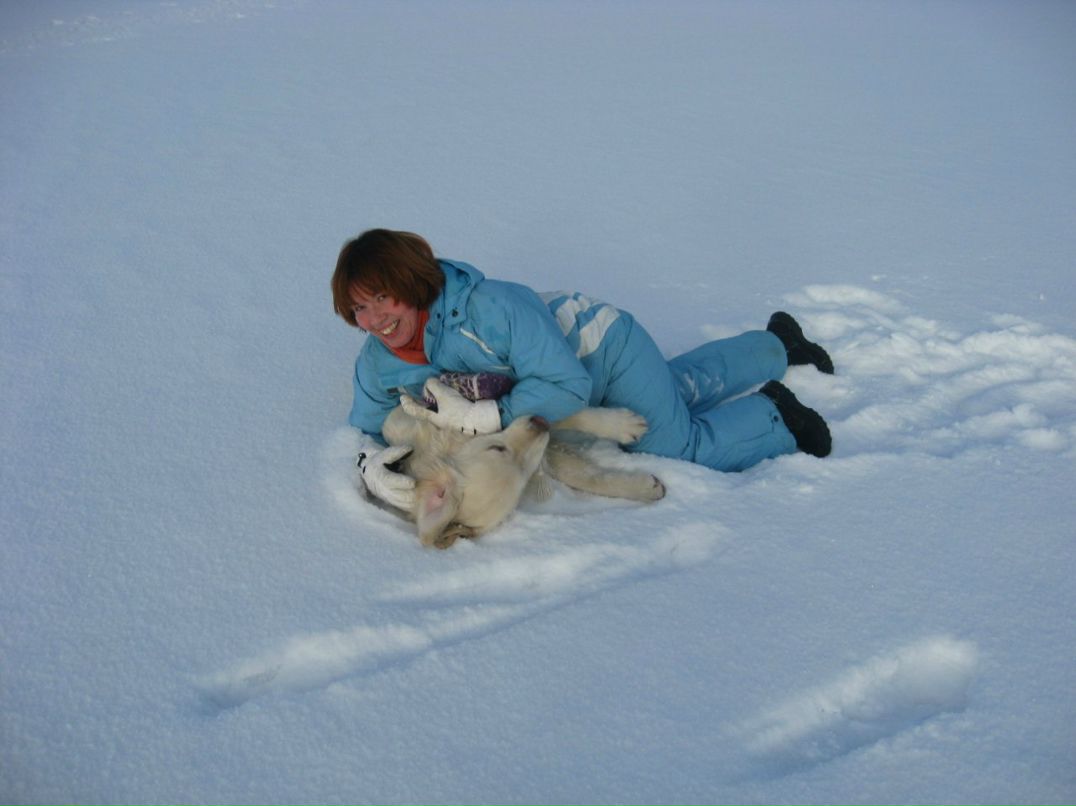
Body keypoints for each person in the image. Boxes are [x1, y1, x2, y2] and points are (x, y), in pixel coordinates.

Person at [332, 228, 834, 511]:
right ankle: (778, 344)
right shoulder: (379, 362)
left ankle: (780, 416)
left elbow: (568, 384)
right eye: (359, 309)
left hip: (605, 350)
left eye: (382, 297)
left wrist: (489, 417)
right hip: (572, 381)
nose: (376, 319)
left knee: (677, 443)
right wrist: (373, 467)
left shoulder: (487, 307)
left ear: (412, 283)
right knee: (672, 392)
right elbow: (367, 424)